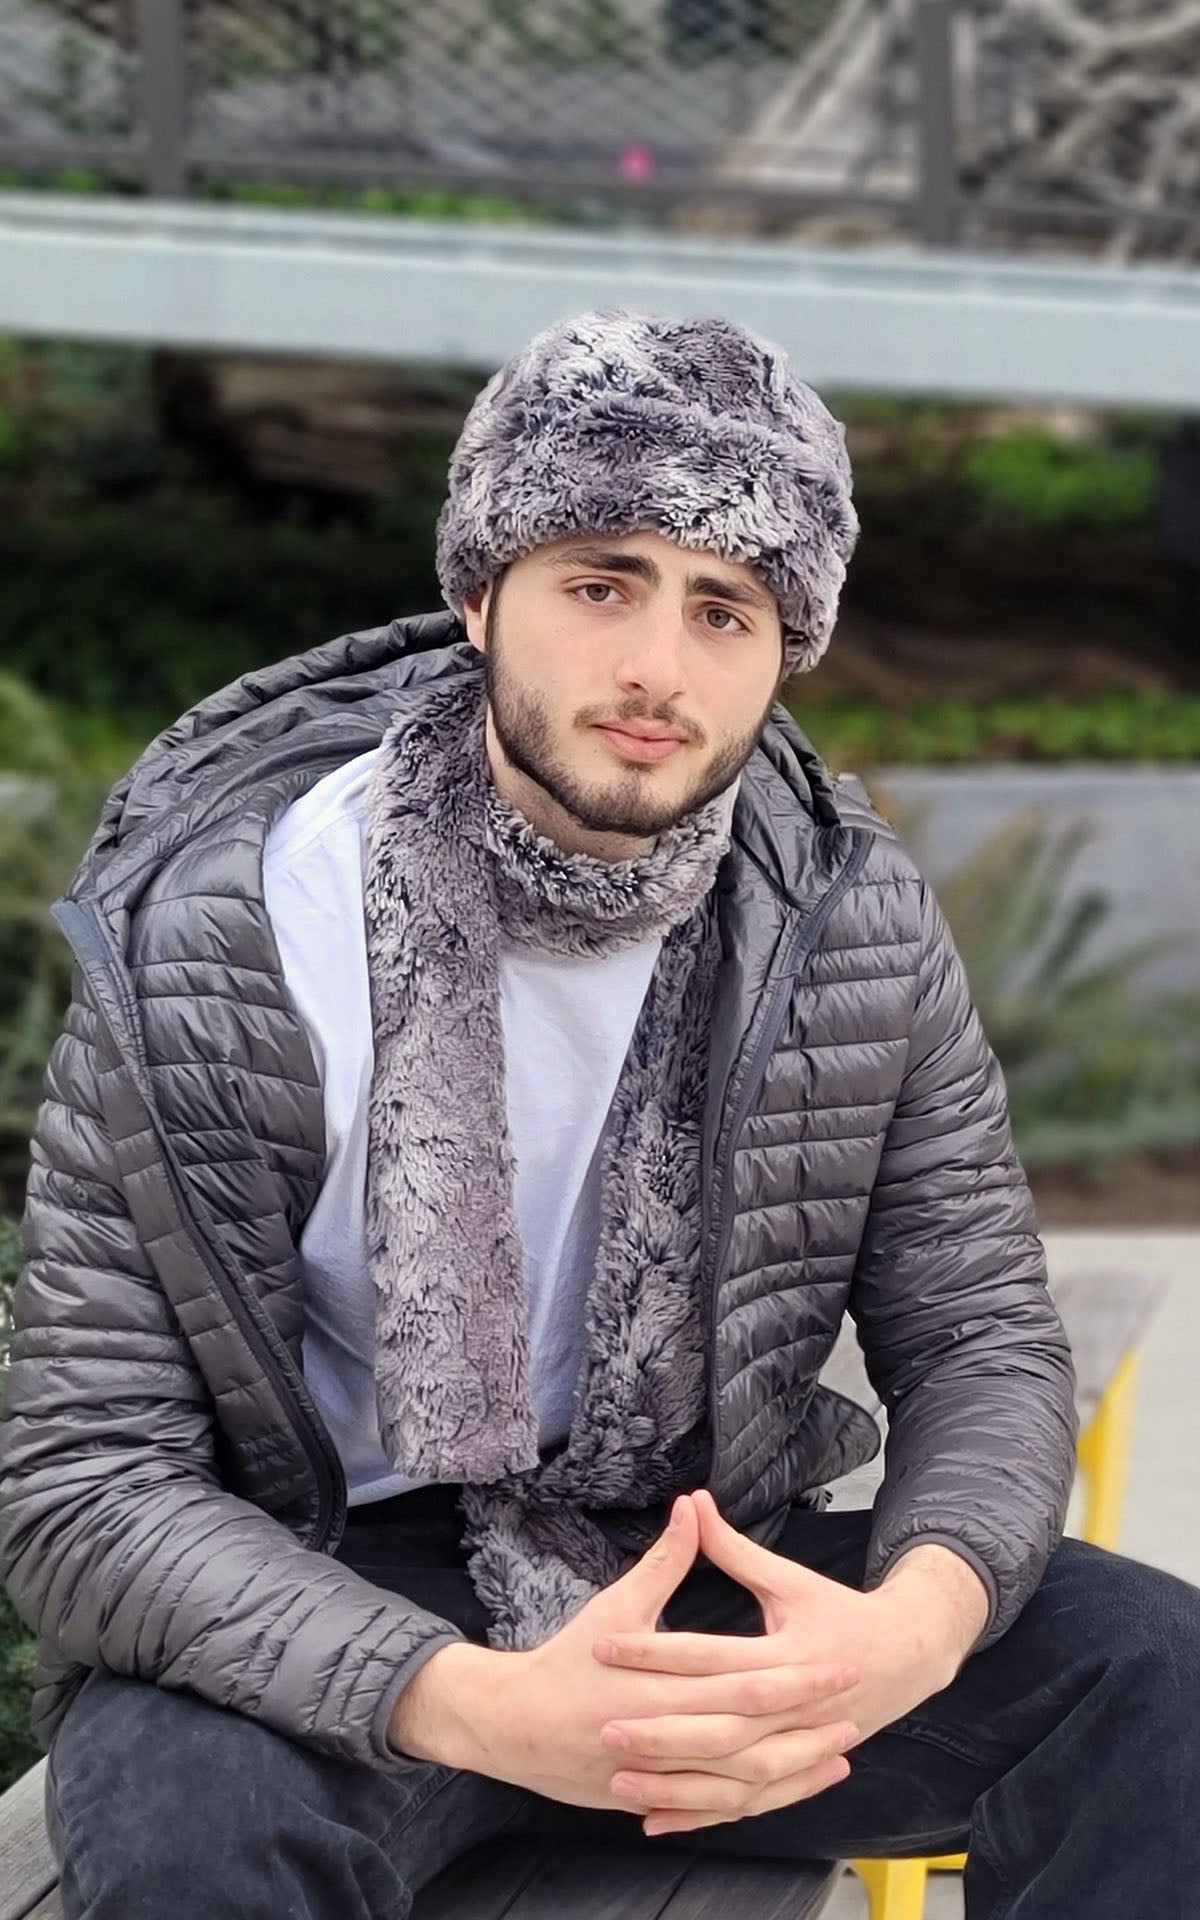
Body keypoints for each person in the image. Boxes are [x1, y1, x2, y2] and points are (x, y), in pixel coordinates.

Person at [0, 310, 1195, 1920]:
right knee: (187, 1831)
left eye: (727, 610)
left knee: (1157, 1684)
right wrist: (468, 1699)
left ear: (790, 652)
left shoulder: (846, 922)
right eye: (600, 583)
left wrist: (901, 1631)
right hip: (324, 1592)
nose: (656, 667)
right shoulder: (222, 930)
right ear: (479, 593)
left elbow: (978, 1331)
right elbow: (81, 1477)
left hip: (692, 1573)